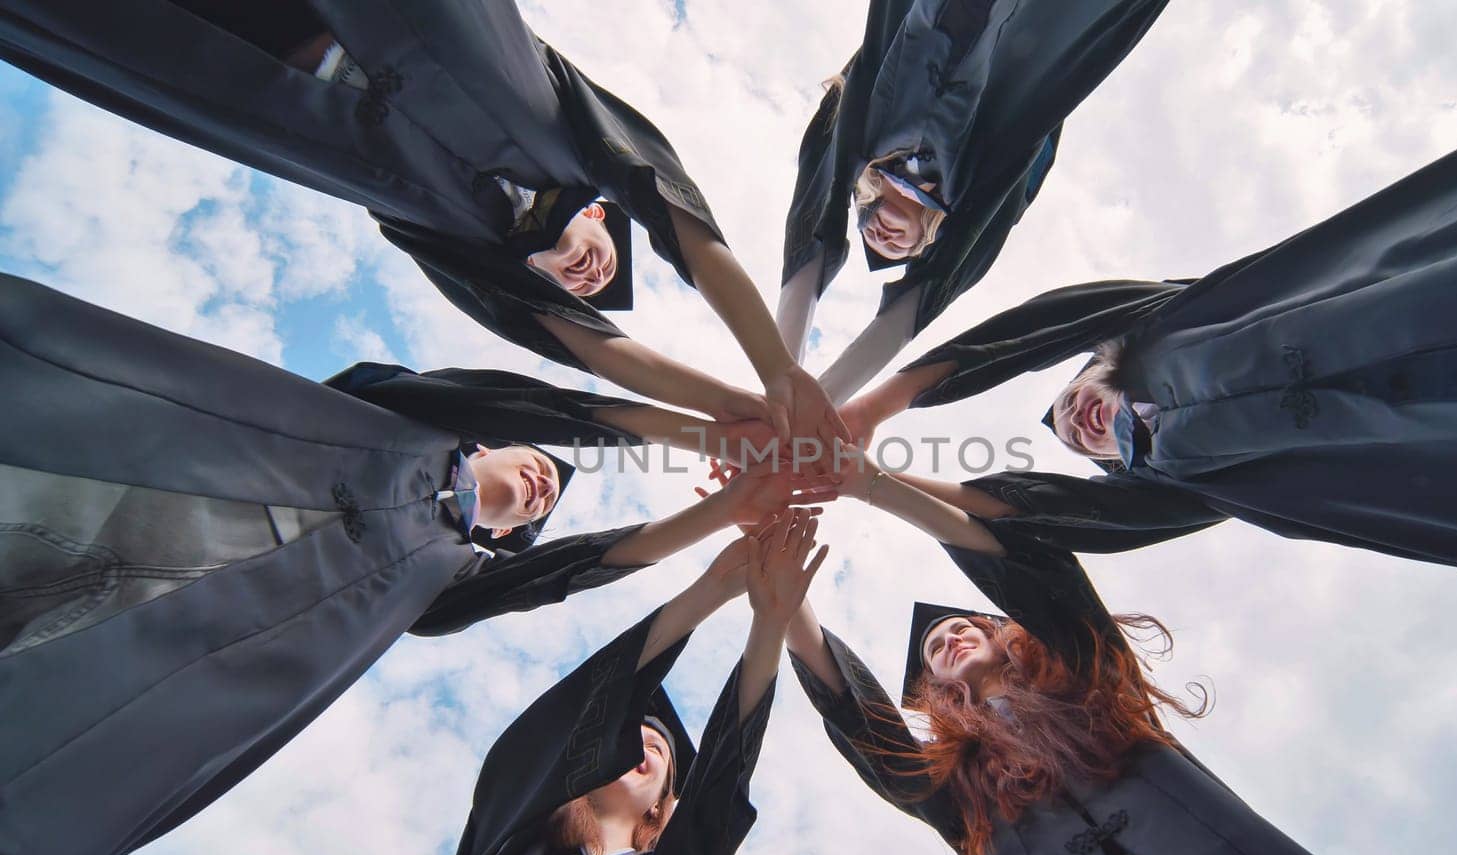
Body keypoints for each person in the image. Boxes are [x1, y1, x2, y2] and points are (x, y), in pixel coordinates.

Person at [0, 274, 830, 855]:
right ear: (492, 438)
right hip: (133, 483)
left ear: (500, 546)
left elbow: (563, 580)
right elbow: (530, 407)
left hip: (163, 648)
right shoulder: (400, 422)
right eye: (532, 460)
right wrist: (710, 448)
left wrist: (730, 564)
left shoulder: (434, 584)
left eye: (533, 510)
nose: (541, 482)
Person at [837, 81, 1457, 591]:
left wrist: (883, 403)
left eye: (1069, 402)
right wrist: (868, 481)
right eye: (1078, 442)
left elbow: (1048, 322)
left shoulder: (1173, 319)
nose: (1075, 422)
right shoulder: (1186, 484)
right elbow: (1041, 515)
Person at [0, 0, 848, 450]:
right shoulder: (565, 126)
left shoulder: (453, 242)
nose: (591, 272)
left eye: (576, 281)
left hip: (232, 54)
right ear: (601, 212)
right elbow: (681, 220)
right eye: (601, 250)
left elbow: (595, 350)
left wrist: (731, 413)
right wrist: (778, 370)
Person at [782, 456, 1375, 855]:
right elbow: (859, 721)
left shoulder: (1088, 683)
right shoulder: (955, 786)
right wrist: (784, 601)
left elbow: (1046, 583)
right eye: (936, 648)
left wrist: (869, 483)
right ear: (935, 685)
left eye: (964, 628)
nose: (950, 640)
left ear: (1001, 634)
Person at [777, 0, 1171, 401]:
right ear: (939, 239)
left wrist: (781, 374)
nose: (878, 232)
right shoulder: (983, 171)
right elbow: (925, 296)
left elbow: (815, 204)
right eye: (905, 248)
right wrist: (819, 401)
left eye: (867, 221)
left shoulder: (869, 127)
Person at [441, 508, 829, 855]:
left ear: (660, 805)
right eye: (624, 739)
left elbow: (720, 791)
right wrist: (711, 588)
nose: (638, 746)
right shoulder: (510, 836)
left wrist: (771, 622)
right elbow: (568, 715)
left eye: (656, 748)